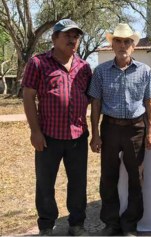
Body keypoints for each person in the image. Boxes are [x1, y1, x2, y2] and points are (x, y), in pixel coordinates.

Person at [21, 19, 91, 236]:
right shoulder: (38, 63)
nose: (73, 39)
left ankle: (76, 224)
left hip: (78, 137)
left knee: (78, 183)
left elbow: (90, 98)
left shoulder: (84, 67)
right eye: (67, 35)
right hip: (48, 136)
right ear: (54, 38)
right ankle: (46, 226)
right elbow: (28, 96)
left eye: (76, 36)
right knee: (45, 184)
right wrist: (35, 131)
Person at [88, 23, 151, 236]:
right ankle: (111, 223)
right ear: (112, 45)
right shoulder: (100, 72)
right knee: (108, 177)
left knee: (136, 177)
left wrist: (150, 132)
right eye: (117, 41)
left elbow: (149, 103)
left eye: (127, 41)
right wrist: (96, 134)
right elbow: (96, 104)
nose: (122, 45)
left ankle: (130, 224)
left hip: (136, 129)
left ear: (133, 46)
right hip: (109, 128)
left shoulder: (145, 71)